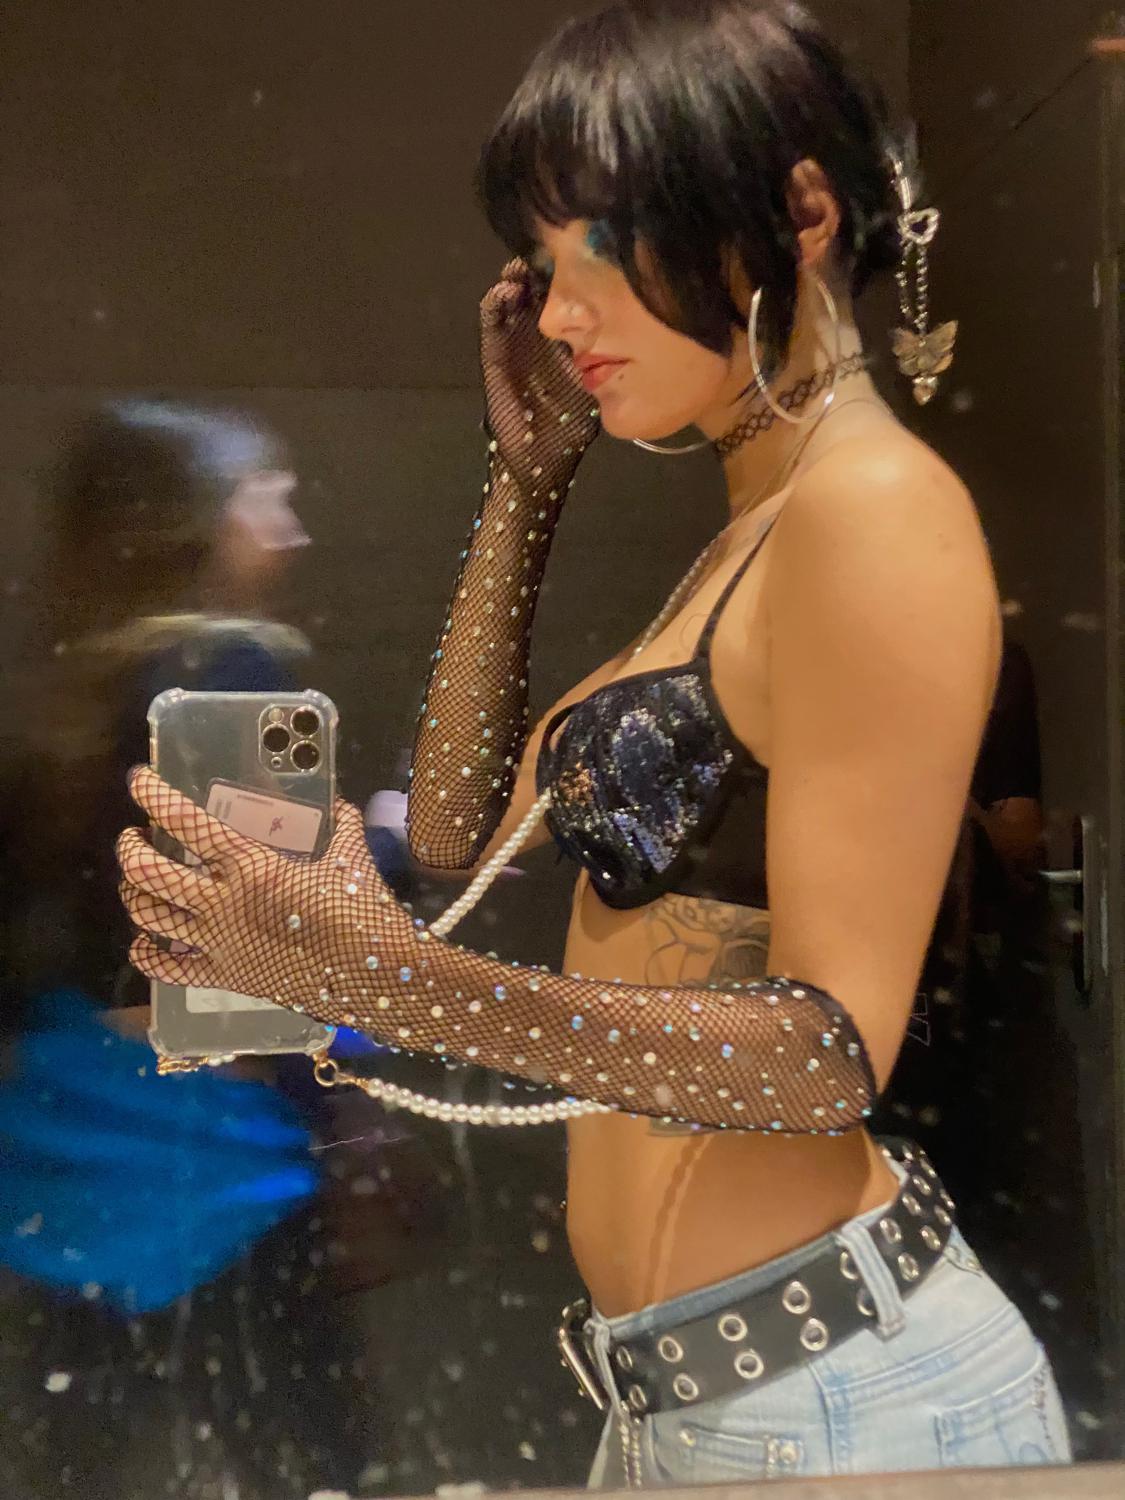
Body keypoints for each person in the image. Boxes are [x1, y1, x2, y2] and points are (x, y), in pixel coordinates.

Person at [119, 1, 1072, 1483]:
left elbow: (827, 1058)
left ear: (799, 215)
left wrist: (375, 980)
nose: (559, 315)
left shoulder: (873, 511)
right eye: (543, 264)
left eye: (599, 247)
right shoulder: (757, 526)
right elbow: (457, 835)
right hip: (703, 1395)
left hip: (839, 1395)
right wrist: (527, 483)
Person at [0, 400, 377, 1500]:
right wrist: (395, 850)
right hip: (218, 1182)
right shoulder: (239, 671)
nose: (295, 531)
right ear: (197, 520)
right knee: (310, 1475)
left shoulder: (53, 700)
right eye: (271, 500)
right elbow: (265, 964)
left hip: (59, 1185)